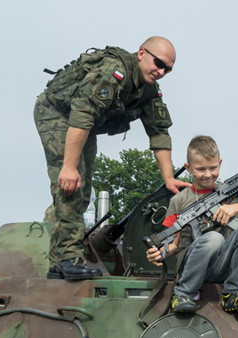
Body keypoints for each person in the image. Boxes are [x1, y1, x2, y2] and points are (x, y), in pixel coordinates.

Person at [35, 36, 188, 281]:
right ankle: (67, 258)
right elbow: (82, 113)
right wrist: (69, 167)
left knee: (83, 190)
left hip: (85, 126)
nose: (161, 71)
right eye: (158, 63)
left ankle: (58, 262)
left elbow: (159, 131)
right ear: (141, 53)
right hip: (58, 114)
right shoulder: (113, 72)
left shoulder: (148, 90)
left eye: (167, 69)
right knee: (72, 185)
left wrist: (168, 178)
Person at [145, 135, 238, 313]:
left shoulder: (227, 193)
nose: (207, 174)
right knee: (214, 238)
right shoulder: (179, 200)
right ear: (188, 168)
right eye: (200, 169)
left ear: (220, 163)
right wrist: (160, 253)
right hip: (190, 267)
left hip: (220, 266)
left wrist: (233, 208)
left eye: (213, 168)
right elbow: (174, 244)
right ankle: (182, 294)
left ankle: (233, 293)